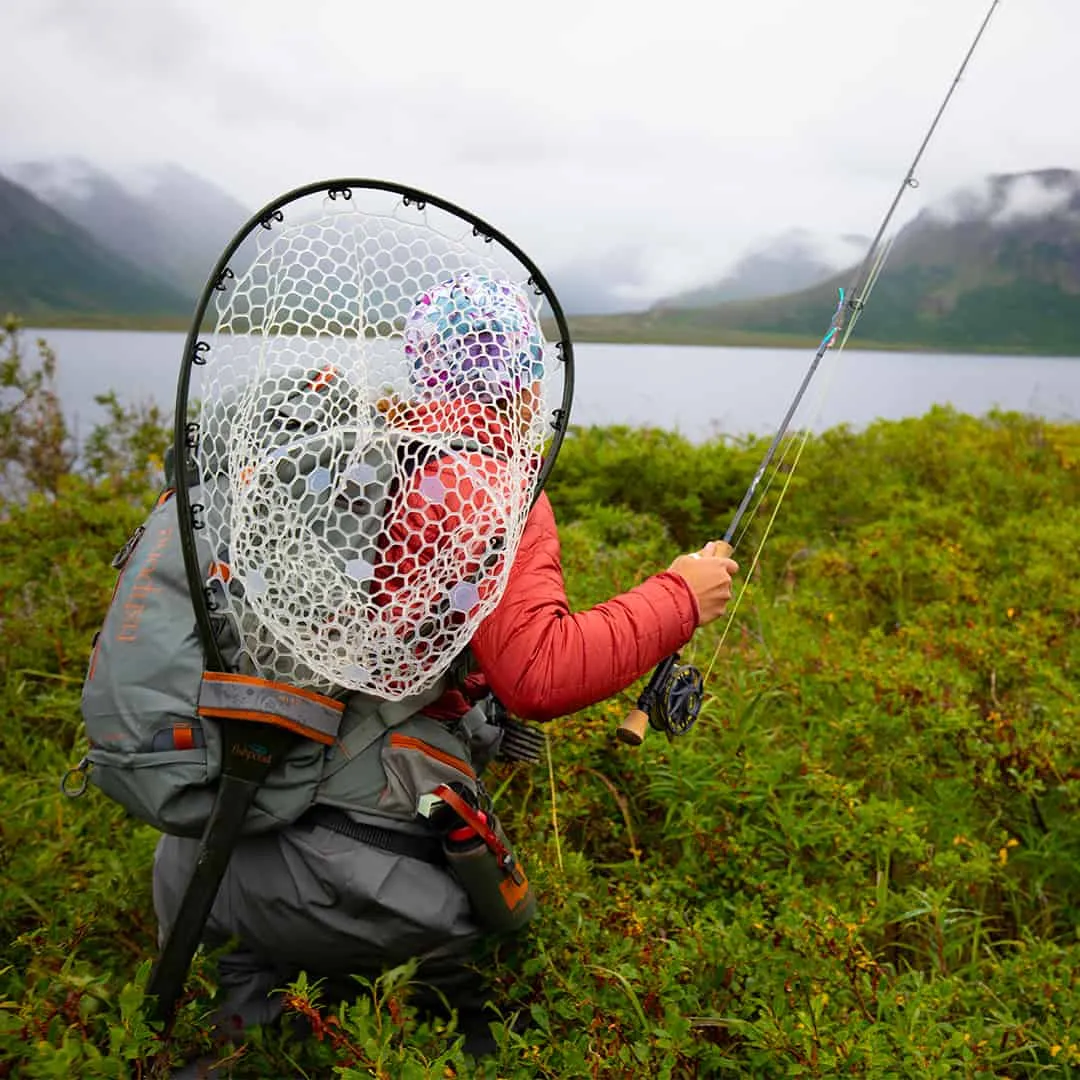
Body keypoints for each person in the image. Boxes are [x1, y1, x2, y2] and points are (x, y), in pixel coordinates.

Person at [152, 273, 739, 1055]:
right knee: (494, 960)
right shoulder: (490, 482)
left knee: (239, 1037)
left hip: (203, 851)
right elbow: (540, 675)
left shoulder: (349, 460)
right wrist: (680, 596)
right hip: (357, 883)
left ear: (424, 367)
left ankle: (245, 1029)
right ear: (524, 385)